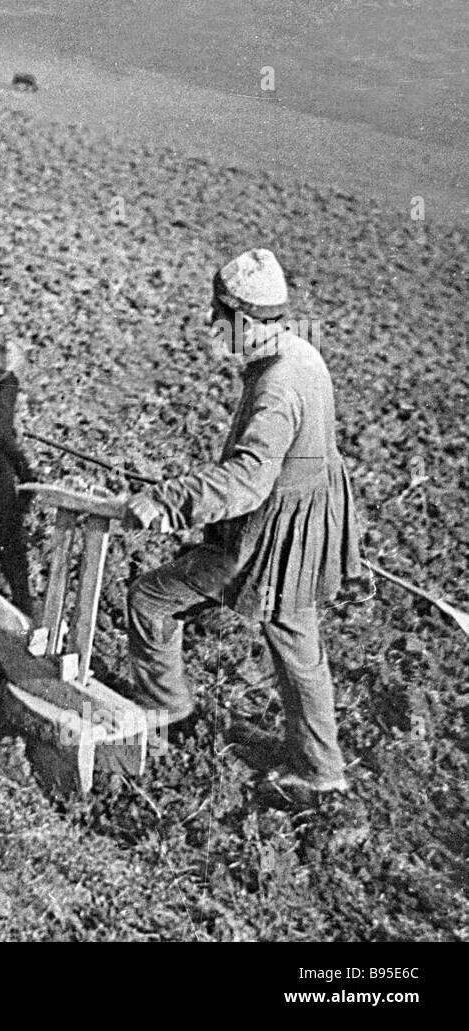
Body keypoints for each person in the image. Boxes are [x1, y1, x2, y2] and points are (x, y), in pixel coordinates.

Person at [123, 248, 368, 797]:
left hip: (268, 538)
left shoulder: (277, 388)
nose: (212, 326)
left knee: (150, 599)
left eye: (221, 317)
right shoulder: (303, 356)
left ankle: (164, 707)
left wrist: (168, 502)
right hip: (307, 529)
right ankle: (322, 768)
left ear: (249, 322)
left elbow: (247, 481)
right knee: (298, 644)